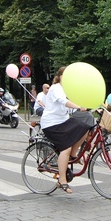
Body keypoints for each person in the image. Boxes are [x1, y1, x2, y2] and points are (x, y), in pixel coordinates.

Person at [39, 66, 96, 194]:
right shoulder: (55, 88)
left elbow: (76, 100)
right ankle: (62, 180)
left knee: (84, 127)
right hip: (51, 124)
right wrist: (78, 107)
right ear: (59, 77)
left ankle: (73, 154)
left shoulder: (67, 89)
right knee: (65, 148)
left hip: (63, 121)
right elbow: (63, 101)